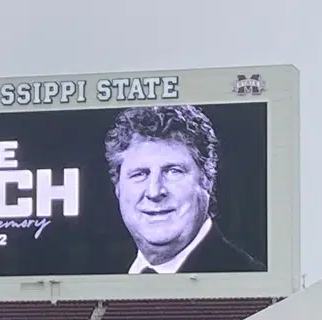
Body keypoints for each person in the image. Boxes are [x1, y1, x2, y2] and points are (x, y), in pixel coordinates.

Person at [103, 105, 266, 274]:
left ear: (207, 179)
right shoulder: (102, 274)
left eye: (174, 171)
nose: (154, 192)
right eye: (140, 174)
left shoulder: (249, 278)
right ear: (118, 187)